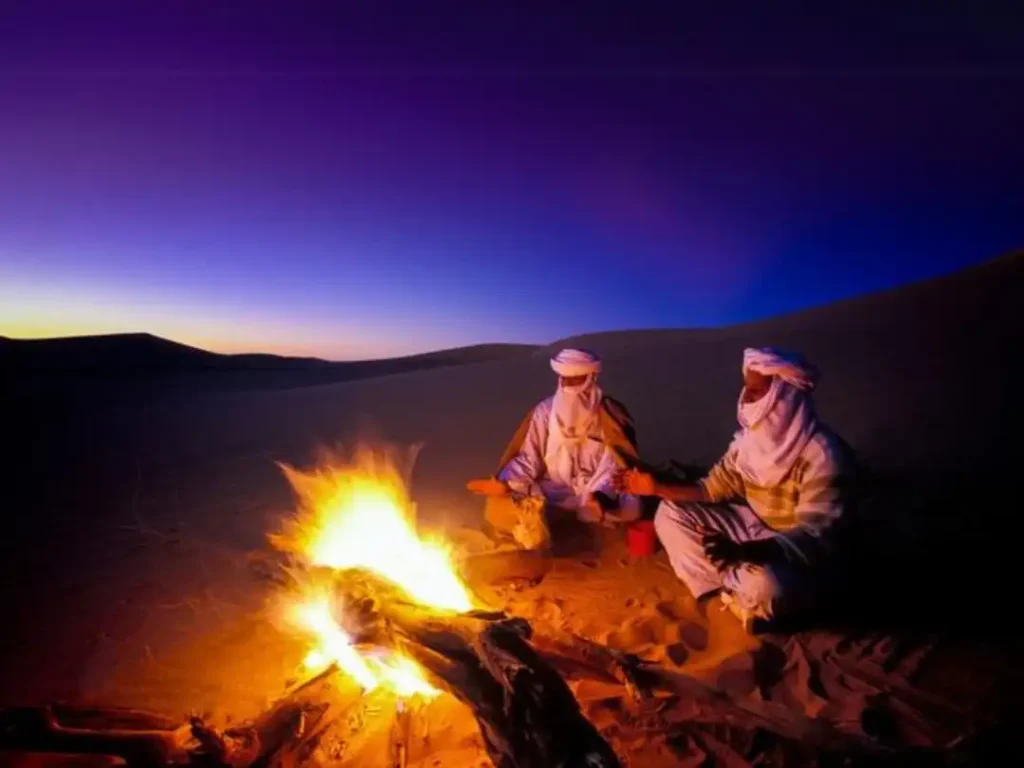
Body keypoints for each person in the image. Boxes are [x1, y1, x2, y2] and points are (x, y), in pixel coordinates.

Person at [620, 347, 852, 632]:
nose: (745, 401)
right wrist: (656, 488)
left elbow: (817, 536)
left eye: (756, 392)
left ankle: (747, 597)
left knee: (769, 586)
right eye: (746, 391)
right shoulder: (747, 445)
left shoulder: (823, 454)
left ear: (785, 395)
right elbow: (709, 489)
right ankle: (717, 596)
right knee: (669, 513)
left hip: (792, 550)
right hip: (751, 528)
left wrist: (747, 553)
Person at [467, 348, 640, 549]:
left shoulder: (609, 415)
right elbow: (528, 458)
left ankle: (589, 512)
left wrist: (599, 494)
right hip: (551, 490)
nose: (569, 386)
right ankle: (572, 516)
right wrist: (506, 483)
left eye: (576, 380)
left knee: (632, 505)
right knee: (514, 496)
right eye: (564, 380)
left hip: (591, 490)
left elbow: (615, 464)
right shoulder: (544, 411)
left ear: (591, 378)